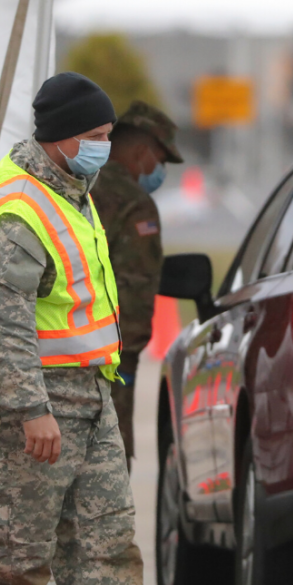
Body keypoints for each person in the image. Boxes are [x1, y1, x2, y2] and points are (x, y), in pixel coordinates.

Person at [0, 72, 143, 585]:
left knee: (106, 553)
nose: (106, 148)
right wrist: (30, 408)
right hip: (34, 410)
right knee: (16, 565)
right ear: (62, 137)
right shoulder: (18, 208)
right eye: (98, 136)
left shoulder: (71, 192)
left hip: (90, 399)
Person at [93, 101, 182, 468]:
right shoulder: (135, 204)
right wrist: (126, 360)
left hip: (58, 351)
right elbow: (135, 286)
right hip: (110, 361)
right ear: (142, 150)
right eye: (160, 160)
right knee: (108, 468)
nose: (159, 171)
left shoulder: (77, 189)